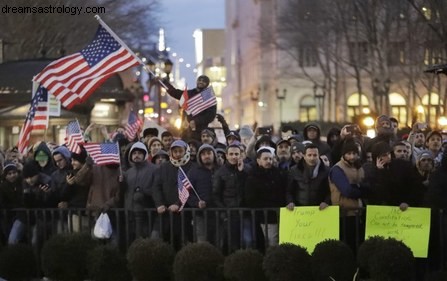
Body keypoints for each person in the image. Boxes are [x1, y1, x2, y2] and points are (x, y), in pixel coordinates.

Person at [151, 140, 195, 250]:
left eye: (181, 151)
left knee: (183, 244)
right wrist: (159, 204)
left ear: (186, 151)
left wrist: (178, 204)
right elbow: (156, 187)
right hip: (165, 214)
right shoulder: (164, 167)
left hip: (185, 215)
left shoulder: (193, 167)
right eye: (175, 151)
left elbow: (191, 189)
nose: (178, 154)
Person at [329, 139, 366, 251]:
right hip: (344, 213)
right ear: (343, 154)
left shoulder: (359, 167)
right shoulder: (337, 169)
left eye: (354, 153)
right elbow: (347, 190)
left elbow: (366, 185)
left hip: (358, 212)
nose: (352, 157)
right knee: (347, 246)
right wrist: (361, 190)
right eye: (349, 154)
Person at [245, 147, 286, 247]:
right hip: (263, 216)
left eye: (270, 159)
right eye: (266, 159)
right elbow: (250, 198)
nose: (269, 161)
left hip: (278, 214)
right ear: (258, 160)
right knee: (271, 241)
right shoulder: (252, 176)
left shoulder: (278, 173)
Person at [212, 142, 249, 251]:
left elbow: (247, 189)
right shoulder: (221, 172)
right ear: (226, 155)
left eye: (236, 154)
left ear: (241, 155)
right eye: (231, 154)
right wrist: (224, 213)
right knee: (231, 244)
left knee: (248, 241)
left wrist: (241, 172)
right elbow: (215, 195)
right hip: (229, 214)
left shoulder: (247, 169)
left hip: (245, 212)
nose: (234, 157)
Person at [163, 75, 217, 140]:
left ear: (207, 84)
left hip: (201, 131)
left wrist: (196, 121)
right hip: (186, 130)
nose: (201, 82)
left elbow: (211, 115)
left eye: (204, 81)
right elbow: (175, 92)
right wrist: (164, 82)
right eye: (199, 80)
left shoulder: (209, 97)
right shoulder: (190, 93)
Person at [123, 142, 156, 240]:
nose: (136, 155)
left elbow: (156, 189)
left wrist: (143, 192)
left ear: (144, 154)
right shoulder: (128, 173)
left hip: (147, 213)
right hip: (130, 213)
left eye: (139, 153)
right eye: (134, 153)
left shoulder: (153, 169)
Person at [187, 144, 219, 244]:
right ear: (199, 157)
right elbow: (187, 192)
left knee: (219, 242)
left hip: (219, 213)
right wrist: (197, 203)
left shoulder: (221, 170)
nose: (206, 156)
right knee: (202, 242)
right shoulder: (194, 172)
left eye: (209, 153)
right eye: (203, 154)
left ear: (214, 154)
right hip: (200, 214)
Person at [286, 143, 330, 210]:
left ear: (319, 156)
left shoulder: (326, 171)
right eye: (309, 155)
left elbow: (330, 191)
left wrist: (326, 202)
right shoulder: (294, 170)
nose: (312, 158)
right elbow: (289, 190)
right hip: (299, 210)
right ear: (304, 156)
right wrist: (290, 202)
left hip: (320, 209)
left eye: (315, 155)